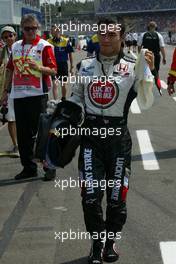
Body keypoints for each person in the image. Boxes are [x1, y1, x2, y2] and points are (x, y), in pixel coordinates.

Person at [68, 17, 155, 264]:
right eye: (101, 34)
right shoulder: (84, 65)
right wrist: (64, 116)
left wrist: (150, 69)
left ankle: (110, 241)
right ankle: (96, 243)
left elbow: (148, 99)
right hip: (90, 140)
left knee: (117, 196)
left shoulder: (134, 64)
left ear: (121, 36)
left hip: (118, 140)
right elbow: (76, 99)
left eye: (111, 34)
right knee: (91, 196)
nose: (105, 38)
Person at [3, 14, 57, 180]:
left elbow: (53, 70)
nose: (31, 31)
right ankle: (29, 167)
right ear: (22, 28)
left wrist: (39, 67)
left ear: (38, 28)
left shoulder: (44, 46)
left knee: (43, 133)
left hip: (37, 95)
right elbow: (10, 69)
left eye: (34, 28)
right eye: (27, 28)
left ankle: (49, 166)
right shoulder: (16, 46)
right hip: (19, 95)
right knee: (23, 134)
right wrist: (5, 91)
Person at [0, 26, 19, 157]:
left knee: (25, 118)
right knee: (10, 118)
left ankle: (30, 144)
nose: (8, 39)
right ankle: (16, 146)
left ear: (15, 35)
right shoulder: (3, 52)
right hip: (9, 89)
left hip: (24, 88)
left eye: (10, 35)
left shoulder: (21, 47)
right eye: (5, 37)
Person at [47, 25, 74, 101]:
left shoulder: (66, 41)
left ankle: (63, 99)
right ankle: (56, 102)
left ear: (58, 31)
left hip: (63, 65)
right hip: (54, 66)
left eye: (54, 31)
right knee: (55, 84)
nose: (52, 33)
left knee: (63, 84)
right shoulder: (48, 41)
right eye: (51, 31)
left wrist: (72, 67)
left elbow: (70, 54)